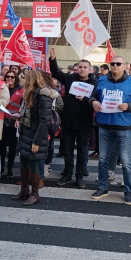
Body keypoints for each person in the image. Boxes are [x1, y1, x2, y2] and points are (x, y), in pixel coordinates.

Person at [90, 56, 131, 205]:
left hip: (123, 127)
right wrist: (93, 101)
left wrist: (129, 106)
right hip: (104, 125)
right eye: (112, 63)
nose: (115, 66)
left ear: (124, 66)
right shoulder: (102, 80)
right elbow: (93, 96)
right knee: (103, 159)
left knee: (126, 161)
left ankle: (128, 191)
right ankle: (103, 187)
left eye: (118, 64)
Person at [49, 47, 96, 188]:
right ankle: (67, 174)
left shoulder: (94, 83)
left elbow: (95, 100)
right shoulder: (69, 78)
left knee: (82, 152)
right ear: (76, 69)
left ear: (89, 70)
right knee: (68, 151)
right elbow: (56, 72)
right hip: (68, 123)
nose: (82, 69)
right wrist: (53, 59)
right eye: (80, 67)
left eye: (84, 67)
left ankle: (79, 176)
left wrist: (86, 99)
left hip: (84, 124)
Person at [12, 70, 53, 206]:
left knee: (34, 163)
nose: (21, 81)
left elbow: (44, 121)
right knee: (24, 162)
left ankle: (35, 194)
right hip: (25, 132)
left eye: (24, 78)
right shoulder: (28, 93)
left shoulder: (43, 95)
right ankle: (24, 190)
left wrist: (36, 141)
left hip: (35, 135)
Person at [0, 71, 23, 179]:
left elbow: (22, 107)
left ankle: (9, 169)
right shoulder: (1, 88)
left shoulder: (21, 90)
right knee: (2, 147)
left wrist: (19, 118)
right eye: (8, 76)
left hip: (14, 122)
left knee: (13, 148)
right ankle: (1, 168)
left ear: (16, 78)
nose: (10, 78)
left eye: (12, 77)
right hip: (1, 121)